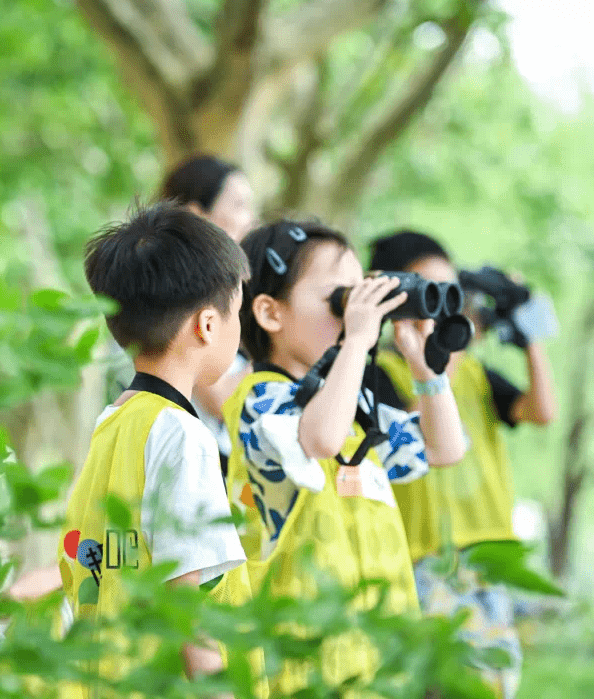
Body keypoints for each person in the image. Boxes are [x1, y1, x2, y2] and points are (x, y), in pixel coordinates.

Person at [224, 219, 468, 694]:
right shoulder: (259, 399)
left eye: (364, 297)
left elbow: (445, 448)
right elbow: (320, 441)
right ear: (271, 314)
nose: (359, 314)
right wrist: (356, 339)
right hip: (304, 669)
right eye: (341, 300)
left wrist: (423, 366)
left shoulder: (356, 413)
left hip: (382, 665)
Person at [60, 202, 252, 697]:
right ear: (208, 325)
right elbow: (188, 604)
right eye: (239, 311)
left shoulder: (113, 424)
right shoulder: (184, 437)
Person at [365, 231, 558, 699]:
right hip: (424, 554)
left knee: (494, 684)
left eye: (453, 290)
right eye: (433, 291)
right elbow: (419, 427)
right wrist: (438, 351)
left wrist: (526, 333)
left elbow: (541, 411)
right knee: (438, 684)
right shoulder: (382, 373)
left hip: (487, 551)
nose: (448, 304)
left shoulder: (474, 372)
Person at [156, 155, 257, 470]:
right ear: (195, 214)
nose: (252, 219)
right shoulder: (174, 293)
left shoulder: (223, 291)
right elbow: (221, 402)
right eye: (239, 205)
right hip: (190, 465)